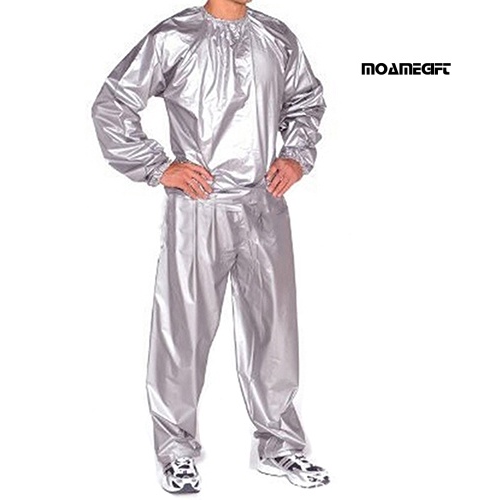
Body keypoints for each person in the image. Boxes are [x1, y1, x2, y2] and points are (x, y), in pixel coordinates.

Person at [91, 0, 328, 493]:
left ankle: (280, 446)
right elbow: (113, 103)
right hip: (199, 205)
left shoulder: (277, 37)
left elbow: (306, 100)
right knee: (183, 331)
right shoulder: (175, 36)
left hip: (264, 202)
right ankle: (176, 452)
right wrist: (159, 166)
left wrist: (295, 155)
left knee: (275, 330)